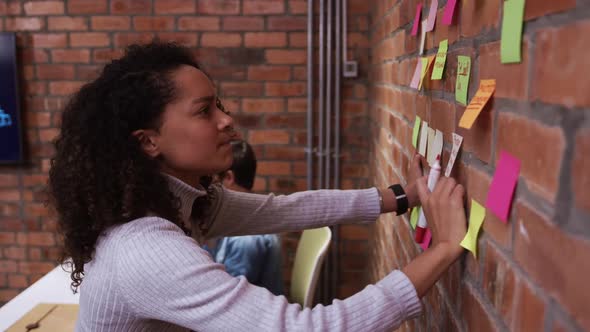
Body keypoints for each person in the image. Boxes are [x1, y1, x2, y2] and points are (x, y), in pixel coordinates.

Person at [48, 41, 467, 331]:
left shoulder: (183, 204)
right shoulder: (146, 249)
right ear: (149, 141)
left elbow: (284, 210)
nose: (226, 120)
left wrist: (401, 197)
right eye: (204, 111)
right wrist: (445, 249)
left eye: (220, 105)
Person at [204, 139, 284, 295]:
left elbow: (228, 294)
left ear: (228, 177)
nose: (208, 188)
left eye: (213, 179)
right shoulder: (242, 219)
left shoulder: (245, 238)